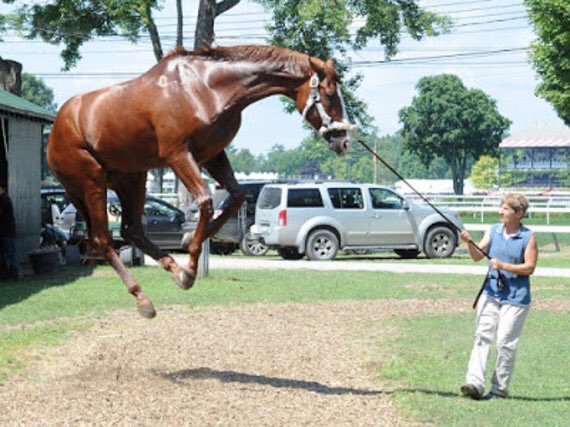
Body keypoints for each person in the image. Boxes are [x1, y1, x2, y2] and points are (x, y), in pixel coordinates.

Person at [459, 193, 538, 400]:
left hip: (516, 297)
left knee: (505, 342)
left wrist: (503, 265)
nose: (500, 211)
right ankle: (474, 382)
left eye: (505, 208)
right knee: (482, 334)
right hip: (491, 292)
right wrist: (469, 242)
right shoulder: (493, 230)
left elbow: (530, 267)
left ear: (519, 213)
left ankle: (499, 389)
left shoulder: (528, 237)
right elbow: (477, 256)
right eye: (501, 207)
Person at [0, 184, 19, 281]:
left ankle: (14, 274)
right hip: (3, 232)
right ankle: (5, 274)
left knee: (11, 254)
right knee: (3, 255)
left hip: (8, 232)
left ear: (2, 189)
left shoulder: (5, 200)